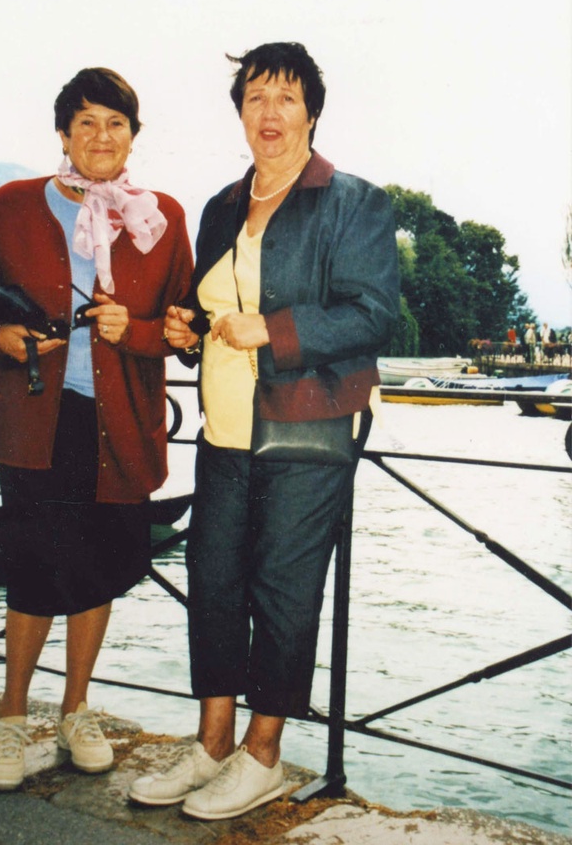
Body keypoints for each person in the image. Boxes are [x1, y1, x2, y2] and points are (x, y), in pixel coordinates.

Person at [129, 42, 399, 819]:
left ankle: (263, 752)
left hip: (308, 430)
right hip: (223, 430)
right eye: (255, 98)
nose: (269, 114)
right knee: (212, 585)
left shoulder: (354, 202)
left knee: (283, 591)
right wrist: (189, 326)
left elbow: (373, 313)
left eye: (285, 98)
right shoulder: (221, 205)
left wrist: (273, 331)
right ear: (240, 113)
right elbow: (212, 309)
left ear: (312, 111)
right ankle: (212, 743)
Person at [0, 67, 193, 791]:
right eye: (85, 123)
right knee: (35, 567)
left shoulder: (163, 218)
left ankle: (75, 710)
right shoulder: (14, 206)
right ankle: (12, 718)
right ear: (63, 134)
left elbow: (182, 329)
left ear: (134, 137)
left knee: (99, 568)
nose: (101, 137)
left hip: (124, 426)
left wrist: (136, 331)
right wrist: (6, 341)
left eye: (115, 123)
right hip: (36, 422)